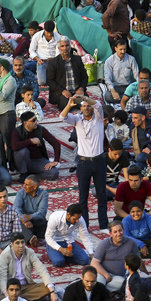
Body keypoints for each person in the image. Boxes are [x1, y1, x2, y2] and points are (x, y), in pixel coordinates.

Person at [62, 96, 108, 229]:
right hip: (83, 163)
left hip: (99, 161)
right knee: (83, 197)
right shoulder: (77, 119)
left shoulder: (99, 118)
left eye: (88, 106)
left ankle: (103, 225)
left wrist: (84, 98)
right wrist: (69, 104)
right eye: (83, 106)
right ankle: (85, 225)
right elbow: (62, 116)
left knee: (101, 195)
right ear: (80, 108)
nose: (87, 108)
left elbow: (98, 104)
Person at [0, 233, 58, 301]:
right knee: (6, 296)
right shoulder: (5, 255)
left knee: (49, 288)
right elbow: (1, 277)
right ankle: (23, 299)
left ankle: (19, 299)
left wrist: (52, 292)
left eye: (22, 242)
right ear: (11, 244)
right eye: (17, 243)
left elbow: (42, 269)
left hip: (26, 287)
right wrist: (6, 294)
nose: (21, 246)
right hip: (11, 288)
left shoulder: (29, 252)